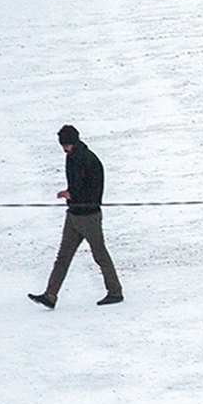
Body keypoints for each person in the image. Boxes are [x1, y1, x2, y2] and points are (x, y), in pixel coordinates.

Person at [29, 125, 123, 308]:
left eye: (66, 145)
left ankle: (115, 292)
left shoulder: (88, 160)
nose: (64, 149)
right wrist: (71, 196)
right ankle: (50, 295)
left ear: (72, 142)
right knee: (63, 257)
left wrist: (72, 195)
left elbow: (93, 190)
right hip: (74, 215)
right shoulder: (72, 157)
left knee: (100, 255)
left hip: (89, 216)